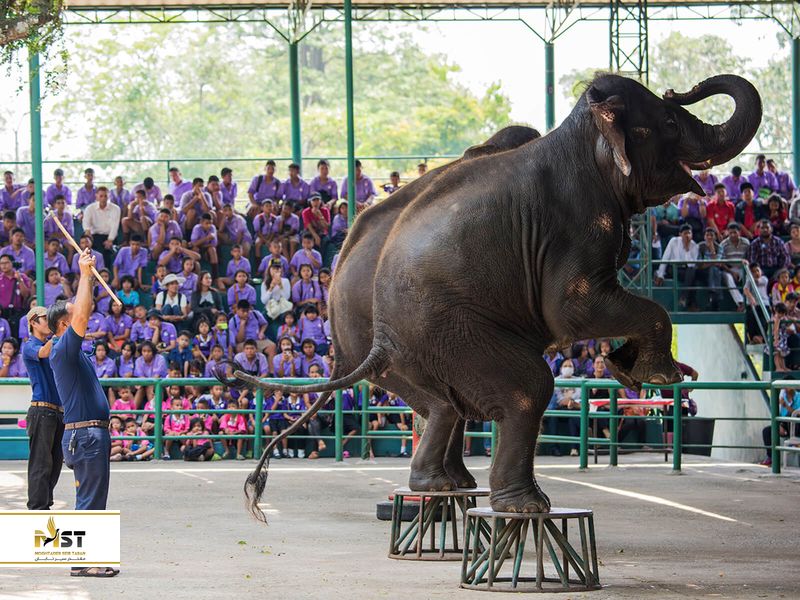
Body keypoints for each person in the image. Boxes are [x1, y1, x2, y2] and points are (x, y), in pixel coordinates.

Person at [47, 249, 120, 577]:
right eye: (75, 313)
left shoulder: (70, 350)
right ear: (65, 323)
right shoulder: (63, 348)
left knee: (93, 497)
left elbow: (85, 311)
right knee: (90, 499)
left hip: (89, 434)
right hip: (86, 435)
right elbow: (83, 313)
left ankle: (90, 557)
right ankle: (83, 561)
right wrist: (86, 273)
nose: (82, 314)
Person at [22, 306, 63, 511]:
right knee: (41, 463)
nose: (49, 321)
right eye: (45, 318)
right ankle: (37, 507)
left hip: (57, 411)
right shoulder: (29, 346)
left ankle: (45, 503)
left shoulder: (51, 344)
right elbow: (43, 352)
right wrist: (60, 332)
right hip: (42, 410)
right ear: (33, 323)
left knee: (55, 463)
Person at [654, 224, 698, 310]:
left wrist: (687, 249)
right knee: (692, 278)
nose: (687, 235)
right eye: (685, 233)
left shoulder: (694, 245)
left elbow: (691, 264)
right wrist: (660, 274)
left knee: (692, 273)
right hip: (674, 268)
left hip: (687, 269)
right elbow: (666, 257)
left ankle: (684, 298)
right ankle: (691, 303)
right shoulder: (674, 241)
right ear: (680, 234)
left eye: (689, 233)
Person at [719, 222, 750, 310]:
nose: (733, 235)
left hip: (743, 268)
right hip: (729, 269)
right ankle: (740, 302)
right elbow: (721, 262)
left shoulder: (746, 242)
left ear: (739, 232)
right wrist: (731, 272)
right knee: (728, 278)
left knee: (749, 277)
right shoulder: (723, 244)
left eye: (735, 232)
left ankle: (748, 301)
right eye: (730, 233)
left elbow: (749, 258)